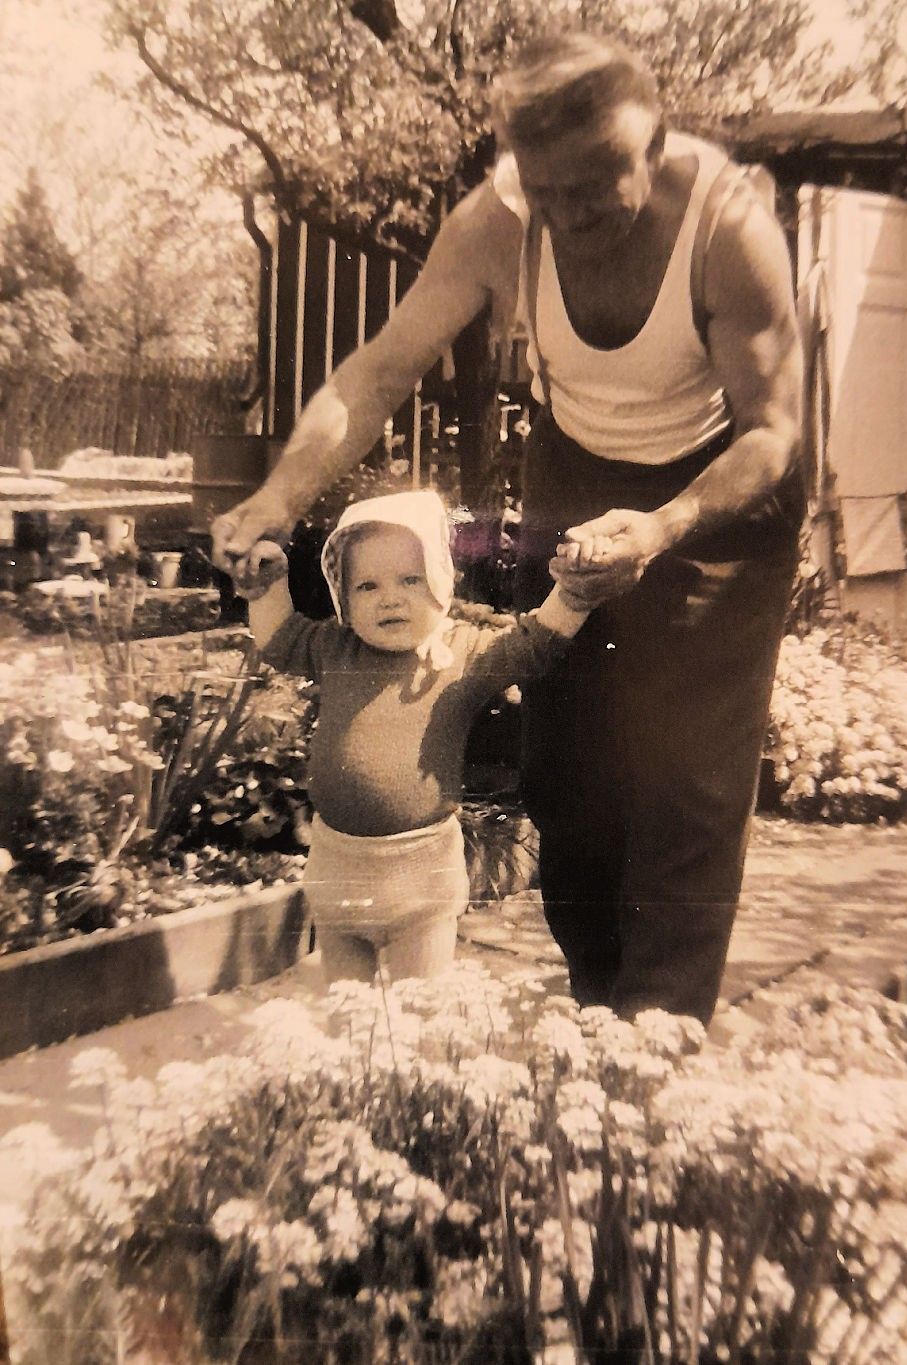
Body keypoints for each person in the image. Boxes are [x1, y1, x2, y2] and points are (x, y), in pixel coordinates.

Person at [213, 32, 805, 1024]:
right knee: (566, 775)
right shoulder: (495, 222)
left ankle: (657, 1049)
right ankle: (597, 1014)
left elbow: (773, 434)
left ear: (656, 146)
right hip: (575, 469)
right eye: (546, 189)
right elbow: (378, 371)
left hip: (718, 499)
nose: (567, 215)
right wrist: (275, 498)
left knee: (686, 790)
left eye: (595, 187)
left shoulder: (729, 228)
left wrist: (663, 526)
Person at [232, 489, 601, 985]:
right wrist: (267, 585)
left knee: (419, 1004)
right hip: (338, 870)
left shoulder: (461, 654)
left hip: (420, 877)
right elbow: (280, 639)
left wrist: (574, 593)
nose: (390, 597)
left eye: (411, 579)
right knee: (348, 1009)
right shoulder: (335, 649)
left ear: (441, 581)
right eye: (367, 586)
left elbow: (531, 646)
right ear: (342, 597)